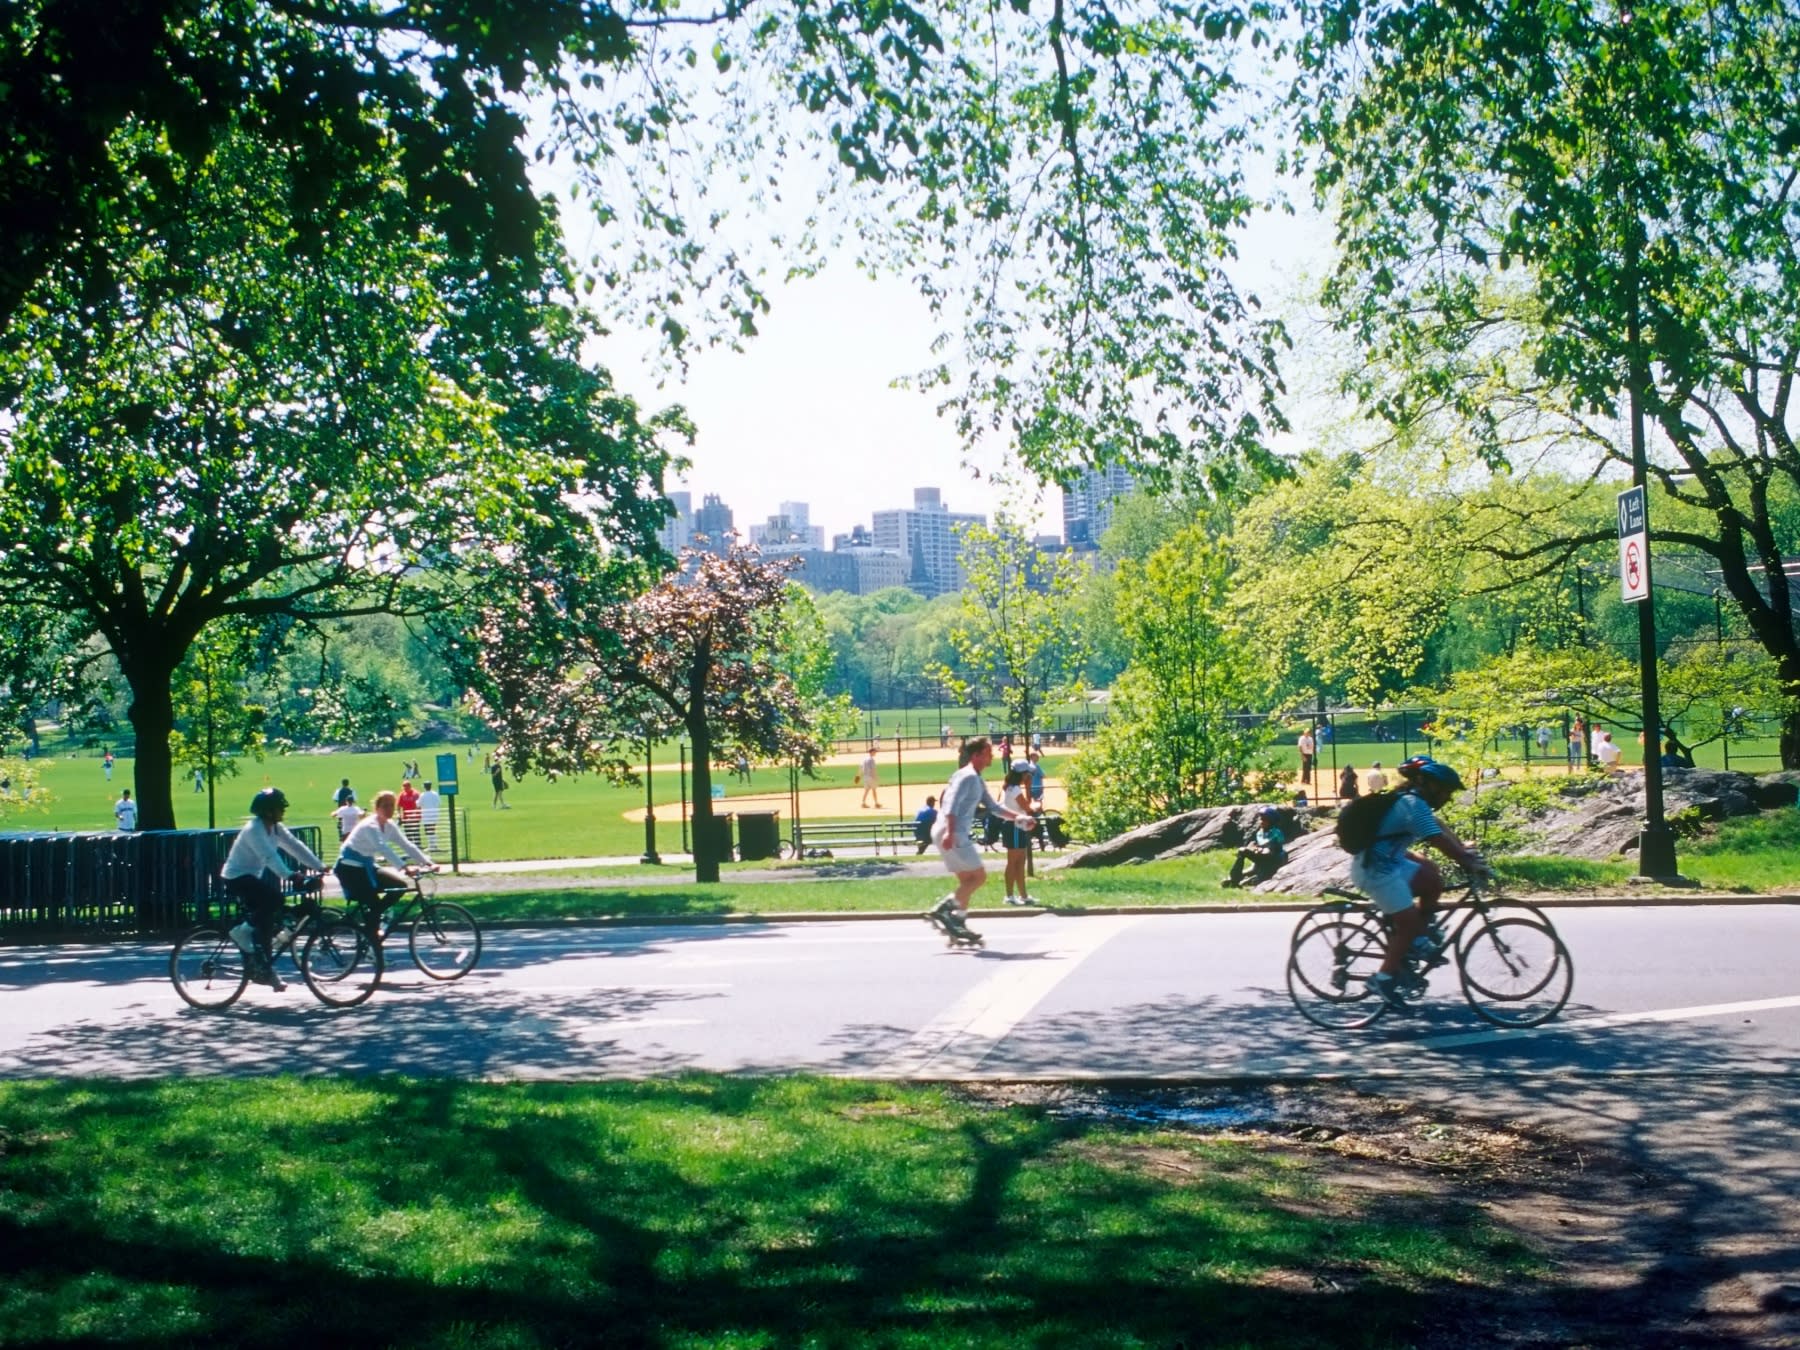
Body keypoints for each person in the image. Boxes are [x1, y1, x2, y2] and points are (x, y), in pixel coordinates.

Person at [1349, 756, 1491, 1012]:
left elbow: (1439, 828)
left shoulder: (1416, 804)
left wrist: (1463, 851)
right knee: (1409, 924)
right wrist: (1465, 860)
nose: (1448, 797)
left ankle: (1415, 942)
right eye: (1445, 791)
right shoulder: (1412, 804)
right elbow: (1437, 839)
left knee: (1432, 880)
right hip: (1376, 871)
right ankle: (1382, 979)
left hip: (1391, 864)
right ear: (1427, 784)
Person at [926, 738, 1033, 939]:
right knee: (980, 877)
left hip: (946, 830)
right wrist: (950, 832)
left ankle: (958, 923)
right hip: (953, 832)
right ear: (977, 755)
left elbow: (994, 807)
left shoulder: (974, 778)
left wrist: (1019, 817)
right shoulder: (968, 777)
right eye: (988, 752)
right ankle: (944, 910)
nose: (991, 756)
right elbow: (951, 805)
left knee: (967, 880)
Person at [221, 787, 326, 991]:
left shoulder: (276, 828)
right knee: (275, 899)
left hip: (251, 877)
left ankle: (265, 971)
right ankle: (240, 933)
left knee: (266, 926)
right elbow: (269, 856)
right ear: (268, 811)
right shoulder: (254, 830)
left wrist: (319, 866)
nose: (283, 811)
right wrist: (291, 875)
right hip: (236, 877)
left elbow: (295, 846)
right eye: (279, 808)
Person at [334, 788, 435, 921]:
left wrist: (428, 862)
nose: (389, 809)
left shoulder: (389, 825)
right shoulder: (370, 825)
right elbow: (382, 848)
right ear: (377, 808)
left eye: (392, 805)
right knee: (374, 904)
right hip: (350, 869)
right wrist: (404, 868)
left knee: (400, 886)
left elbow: (407, 845)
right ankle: (372, 932)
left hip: (366, 866)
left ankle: (374, 919)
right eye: (385, 806)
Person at [1000, 766, 1039, 905]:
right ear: (1022, 774)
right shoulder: (1015, 790)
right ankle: (1010, 895)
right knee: (1014, 862)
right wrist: (1029, 790)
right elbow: (1027, 807)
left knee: (1020, 862)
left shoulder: (1008, 787)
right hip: (1015, 826)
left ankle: (1023, 895)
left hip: (1015, 825)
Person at [1224, 806, 1288, 888]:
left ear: (1271, 821)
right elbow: (1256, 845)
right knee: (1242, 851)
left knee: (1253, 875)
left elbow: (1273, 849)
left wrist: (1260, 849)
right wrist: (1255, 849)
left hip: (1273, 860)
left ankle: (1241, 880)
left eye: (1264, 820)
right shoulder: (1260, 833)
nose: (1261, 822)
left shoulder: (1276, 832)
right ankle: (1234, 879)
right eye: (1261, 819)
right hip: (1261, 859)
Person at [417, 781, 442, 852]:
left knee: (428, 831)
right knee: (433, 830)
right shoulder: (435, 794)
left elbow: (418, 804)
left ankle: (431, 846)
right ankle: (434, 845)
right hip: (434, 814)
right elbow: (439, 803)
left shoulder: (423, 795)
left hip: (426, 815)